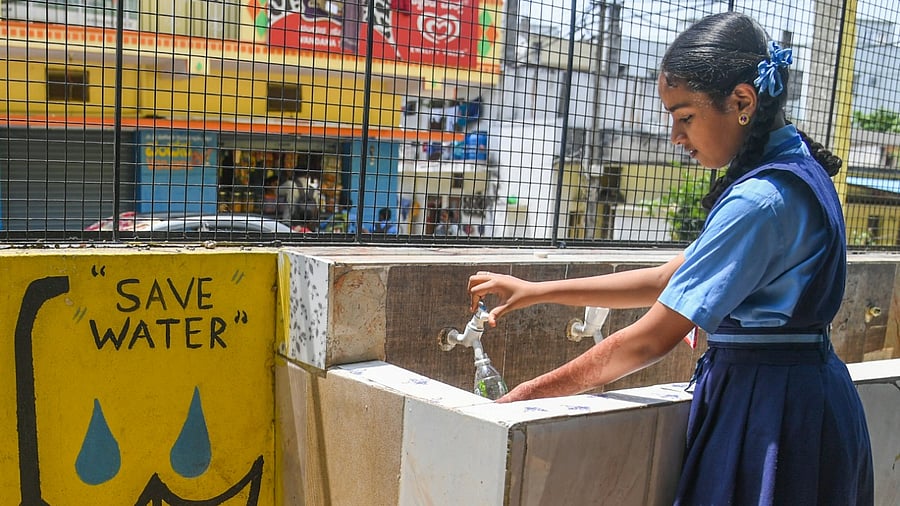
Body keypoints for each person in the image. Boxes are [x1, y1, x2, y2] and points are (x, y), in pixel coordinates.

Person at [467, 12, 873, 506]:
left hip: (771, 414)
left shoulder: (760, 201)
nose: (676, 137)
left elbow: (649, 339)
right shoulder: (797, 171)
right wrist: (538, 291)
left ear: (742, 101)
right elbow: (670, 278)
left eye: (685, 117)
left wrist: (529, 395)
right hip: (806, 401)